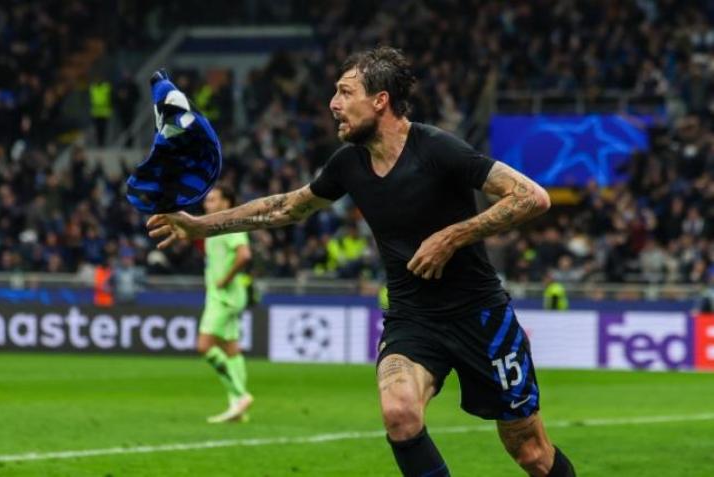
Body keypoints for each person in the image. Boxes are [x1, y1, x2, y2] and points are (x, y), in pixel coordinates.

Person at [147, 47, 576, 476]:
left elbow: (531, 197)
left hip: (480, 316)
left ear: (380, 100)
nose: (333, 104)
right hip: (413, 319)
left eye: (345, 92)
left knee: (531, 453)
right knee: (399, 414)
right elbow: (286, 208)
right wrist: (199, 226)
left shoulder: (437, 148)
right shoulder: (348, 164)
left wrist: (451, 236)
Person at [198, 183, 254, 423]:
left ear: (226, 203)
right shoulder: (214, 227)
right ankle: (237, 407)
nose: (207, 204)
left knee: (204, 346)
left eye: (213, 199)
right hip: (229, 296)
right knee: (231, 348)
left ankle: (240, 395)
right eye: (207, 200)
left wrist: (224, 280)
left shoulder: (230, 224)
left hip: (223, 296)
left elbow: (244, 255)